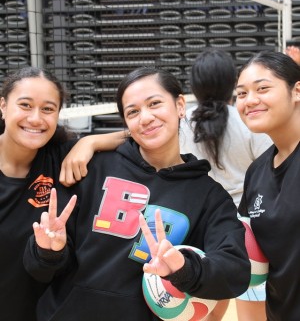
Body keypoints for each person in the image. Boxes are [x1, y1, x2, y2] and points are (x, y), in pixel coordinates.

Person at [24, 67, 250, 321]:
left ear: (179, 105)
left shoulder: (209, 197)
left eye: (155, 103)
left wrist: (184, 269)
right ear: (126, 122)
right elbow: (39, 270)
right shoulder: (91, 169)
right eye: (133, 111)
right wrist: (49, 251)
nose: (145, 118)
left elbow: (235, 273)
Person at [0, 66, 126, 321]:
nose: (36, 118)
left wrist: (88, 142)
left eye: (48, 109)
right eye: (25, 105)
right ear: (3, 105)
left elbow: (138, 135)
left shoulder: (60, 157)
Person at [179, 49, 272, 321]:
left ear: (194, 85)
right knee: (252, 311)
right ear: (233, 83)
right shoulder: (251, 120)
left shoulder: (181, 123)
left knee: (205, 309)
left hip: (201, 227)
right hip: (249, 232)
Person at [235, 51, 300, 321]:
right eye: (241, 94)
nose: (250, 101)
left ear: (297, 91)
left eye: (263, 88)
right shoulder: (257, 172)